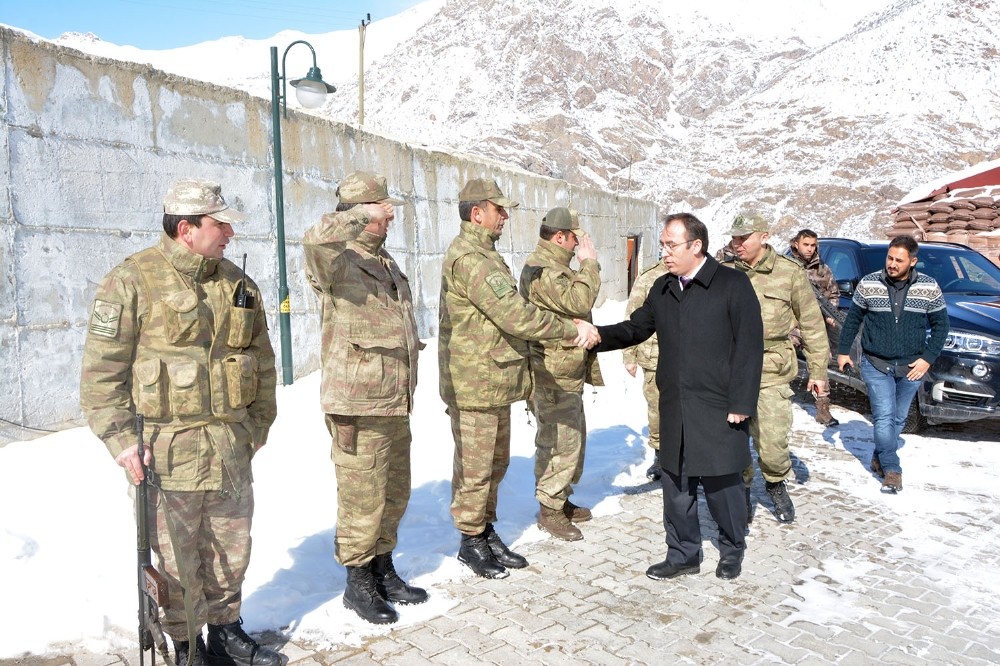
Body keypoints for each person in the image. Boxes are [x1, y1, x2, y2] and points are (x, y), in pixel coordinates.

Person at [80, 179, 281, 666]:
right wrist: (123, 442)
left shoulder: (238, 284)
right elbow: (101, 375)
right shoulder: (131, 281)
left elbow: (263, 362)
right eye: (220, 223)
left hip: (229, 447)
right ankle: (186, 643)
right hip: (164, 453)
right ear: (186, 228)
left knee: (232, 547)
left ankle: (226, 632)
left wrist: (256, 427)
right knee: (174, 560)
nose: (230, 232)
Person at [438, 178, 599, 579]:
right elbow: (516, 315)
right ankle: (471, 540)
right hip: (474, 382)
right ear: (478, 213)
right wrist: (568, 330)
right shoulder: (471, 258)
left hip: (493, 379)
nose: (505, 216)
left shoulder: (485, 254)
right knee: (475, 470)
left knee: (494, 464)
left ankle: (484, 530)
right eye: (499, 209)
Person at [593, 213, 763, 581]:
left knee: (723, 484)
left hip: (719, 405)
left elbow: (750, 348)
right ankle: (683, 553)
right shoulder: (663, 288)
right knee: (677, 485)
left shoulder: (732, 285)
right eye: (663, 246)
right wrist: (597, 335)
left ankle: (732, 547)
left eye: (672, 245)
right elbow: (636, 328)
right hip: (675, 404)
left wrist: (741, 403)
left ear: (696, 246)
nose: (665, 253)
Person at [302, 171, 426, 625]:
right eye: (381, 208)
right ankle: (358, 583)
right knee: (361, 496)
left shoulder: (385, 259)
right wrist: (358, 214)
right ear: (359, 212)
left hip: (393, 401)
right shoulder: (335, 260)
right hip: (357, 404)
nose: (389, 215)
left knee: (393, 492)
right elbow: (314, 241)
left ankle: (382, 568)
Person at [726, 213, 830, 525]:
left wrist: (818, 371)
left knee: (771, 440)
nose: (738, 243)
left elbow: (811, 323)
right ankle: (741, 489)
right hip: (730, 369)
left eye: (744, 237)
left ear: (764, 236)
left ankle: (775, 482)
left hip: (771, 367)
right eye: (735, 237)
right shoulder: (725, 272)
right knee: (733, 439)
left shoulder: (789, 273)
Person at [837, 236, 949, 493]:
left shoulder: (929, 287)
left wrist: (927, 359)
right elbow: (853, 320)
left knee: (897, 419)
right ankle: (892, 469)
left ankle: (880, 455)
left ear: (913, 262)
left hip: (913, 366)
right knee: (884, 417)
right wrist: (843, 352)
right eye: (890, 258)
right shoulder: (869, 284)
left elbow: (942, 326)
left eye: (899, 260)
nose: (892, 264)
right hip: (876, 363)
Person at [519, 207, 604, 541]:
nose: (578, 244)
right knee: (558, 441)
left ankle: (559, 498)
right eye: (575, 238)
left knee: (570, 437)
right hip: (552, 370)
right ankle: (550, 509)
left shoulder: (552, 265)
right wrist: (589, 263)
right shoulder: (546, 270)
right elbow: (580, 300)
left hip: (563, 367)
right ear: (560, 237)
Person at [622, 254, 668, 481]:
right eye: (664, 246)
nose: (668, 251)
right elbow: (633, 315)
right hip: (655, 357)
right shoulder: (650, 277)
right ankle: (661, 455)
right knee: (657, 409)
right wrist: (628, 354)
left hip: (692, 357)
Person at [788, 228, 840, 427]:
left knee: (820, 363)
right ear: (796, 244)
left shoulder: (823, 270)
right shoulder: (786, 266)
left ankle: (823, 409)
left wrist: (830, 313)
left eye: (813, 245)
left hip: (814, 325)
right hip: (791, 324)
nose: (809, 249)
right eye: (806, 245)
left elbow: (833, 295)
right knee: (778, 357)